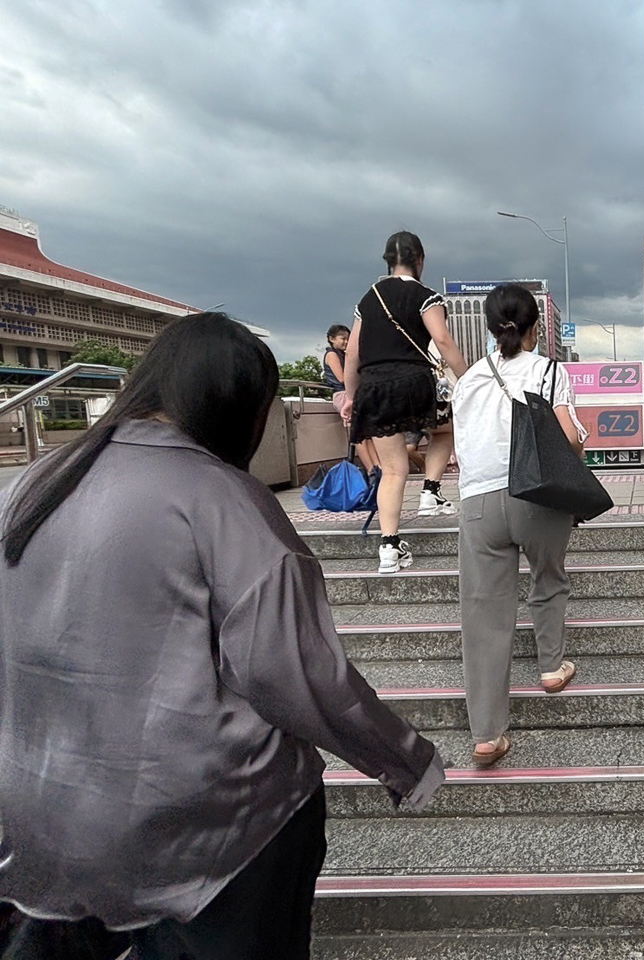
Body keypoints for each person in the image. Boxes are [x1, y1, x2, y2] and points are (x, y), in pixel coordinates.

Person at [0, 313, 444, 960]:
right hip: (208, 832)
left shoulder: (28, 488)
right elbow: (295, 673)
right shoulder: (225, 502)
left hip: (40, 818)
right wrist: (407, 761)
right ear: (240, 406)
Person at [450, 284, 587, 767]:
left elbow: (461, 445)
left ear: (490, 327)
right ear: (536, 326)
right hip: (535, 493)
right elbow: (569, 437)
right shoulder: (550, 370)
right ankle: (551, 668)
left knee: (484, 612)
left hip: (478, 504)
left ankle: (487, 735)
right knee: (548, 578)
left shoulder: (466, 380)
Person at [341, 231, 468, 575]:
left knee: (393, 470)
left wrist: (351, 396)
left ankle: (389, 547)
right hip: (413, 384)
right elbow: (441, 339)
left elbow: (352, 352)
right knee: (447, 429)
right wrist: (471, 379)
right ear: (421, 260)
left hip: (374, 389)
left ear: (387, 261)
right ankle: (430, 490)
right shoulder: (426, 296)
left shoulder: (368, 299)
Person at [323, 323, 378, 475]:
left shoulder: (342, 354)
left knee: (366, 434)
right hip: (343, 395)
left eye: (348, 339)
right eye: (343, 339)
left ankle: (377, 467)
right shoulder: (332, 355)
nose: (346, 342)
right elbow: (342, 378)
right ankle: (371, 469)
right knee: (358, 434)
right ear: (331, 339)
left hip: (352, 395)